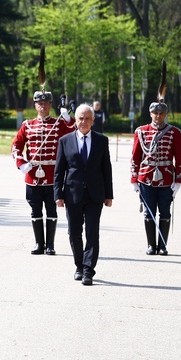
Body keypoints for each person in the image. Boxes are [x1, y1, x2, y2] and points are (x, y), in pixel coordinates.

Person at [54, 104, 113, 286]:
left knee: (92, 233)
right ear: (75, 120)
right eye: (80, 118)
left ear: (93, 121)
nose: (84, 122)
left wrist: (109, 195)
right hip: (72, 194)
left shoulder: (101, 141)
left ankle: (88, 270)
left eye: (88, 118)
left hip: (95, 195)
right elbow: (59, 170)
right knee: (74, 233)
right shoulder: (65, 141)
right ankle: (79, 266)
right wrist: (58, 194)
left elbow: (106, 169)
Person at [11, 90, 74, 255]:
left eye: (46, 103)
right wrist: (21, 163)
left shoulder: (58, 124)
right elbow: (16, 146)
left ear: (51, 105)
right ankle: (39, 243)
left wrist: (67, 117)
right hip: (33, 175)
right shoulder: (28, 125)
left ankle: (50, 245)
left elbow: (74, 131)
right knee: (35, 209)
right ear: (35, 105)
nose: (43, 105)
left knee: (52, 209)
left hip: (52, 174)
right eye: (40, 103)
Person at [130, 101, 181, 255]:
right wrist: (134, 179)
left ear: (165, 115)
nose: (158, 116)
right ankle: (151, 245)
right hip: (146, 178)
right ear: (150, 113)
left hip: (167, 178)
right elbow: (135, 157)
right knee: (149, 212)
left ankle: (162, 246)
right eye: (155, 113)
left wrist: (178, 180)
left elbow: (179, 158)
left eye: (161, 113)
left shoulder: (174, 133)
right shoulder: (141, 131)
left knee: (165, 212)